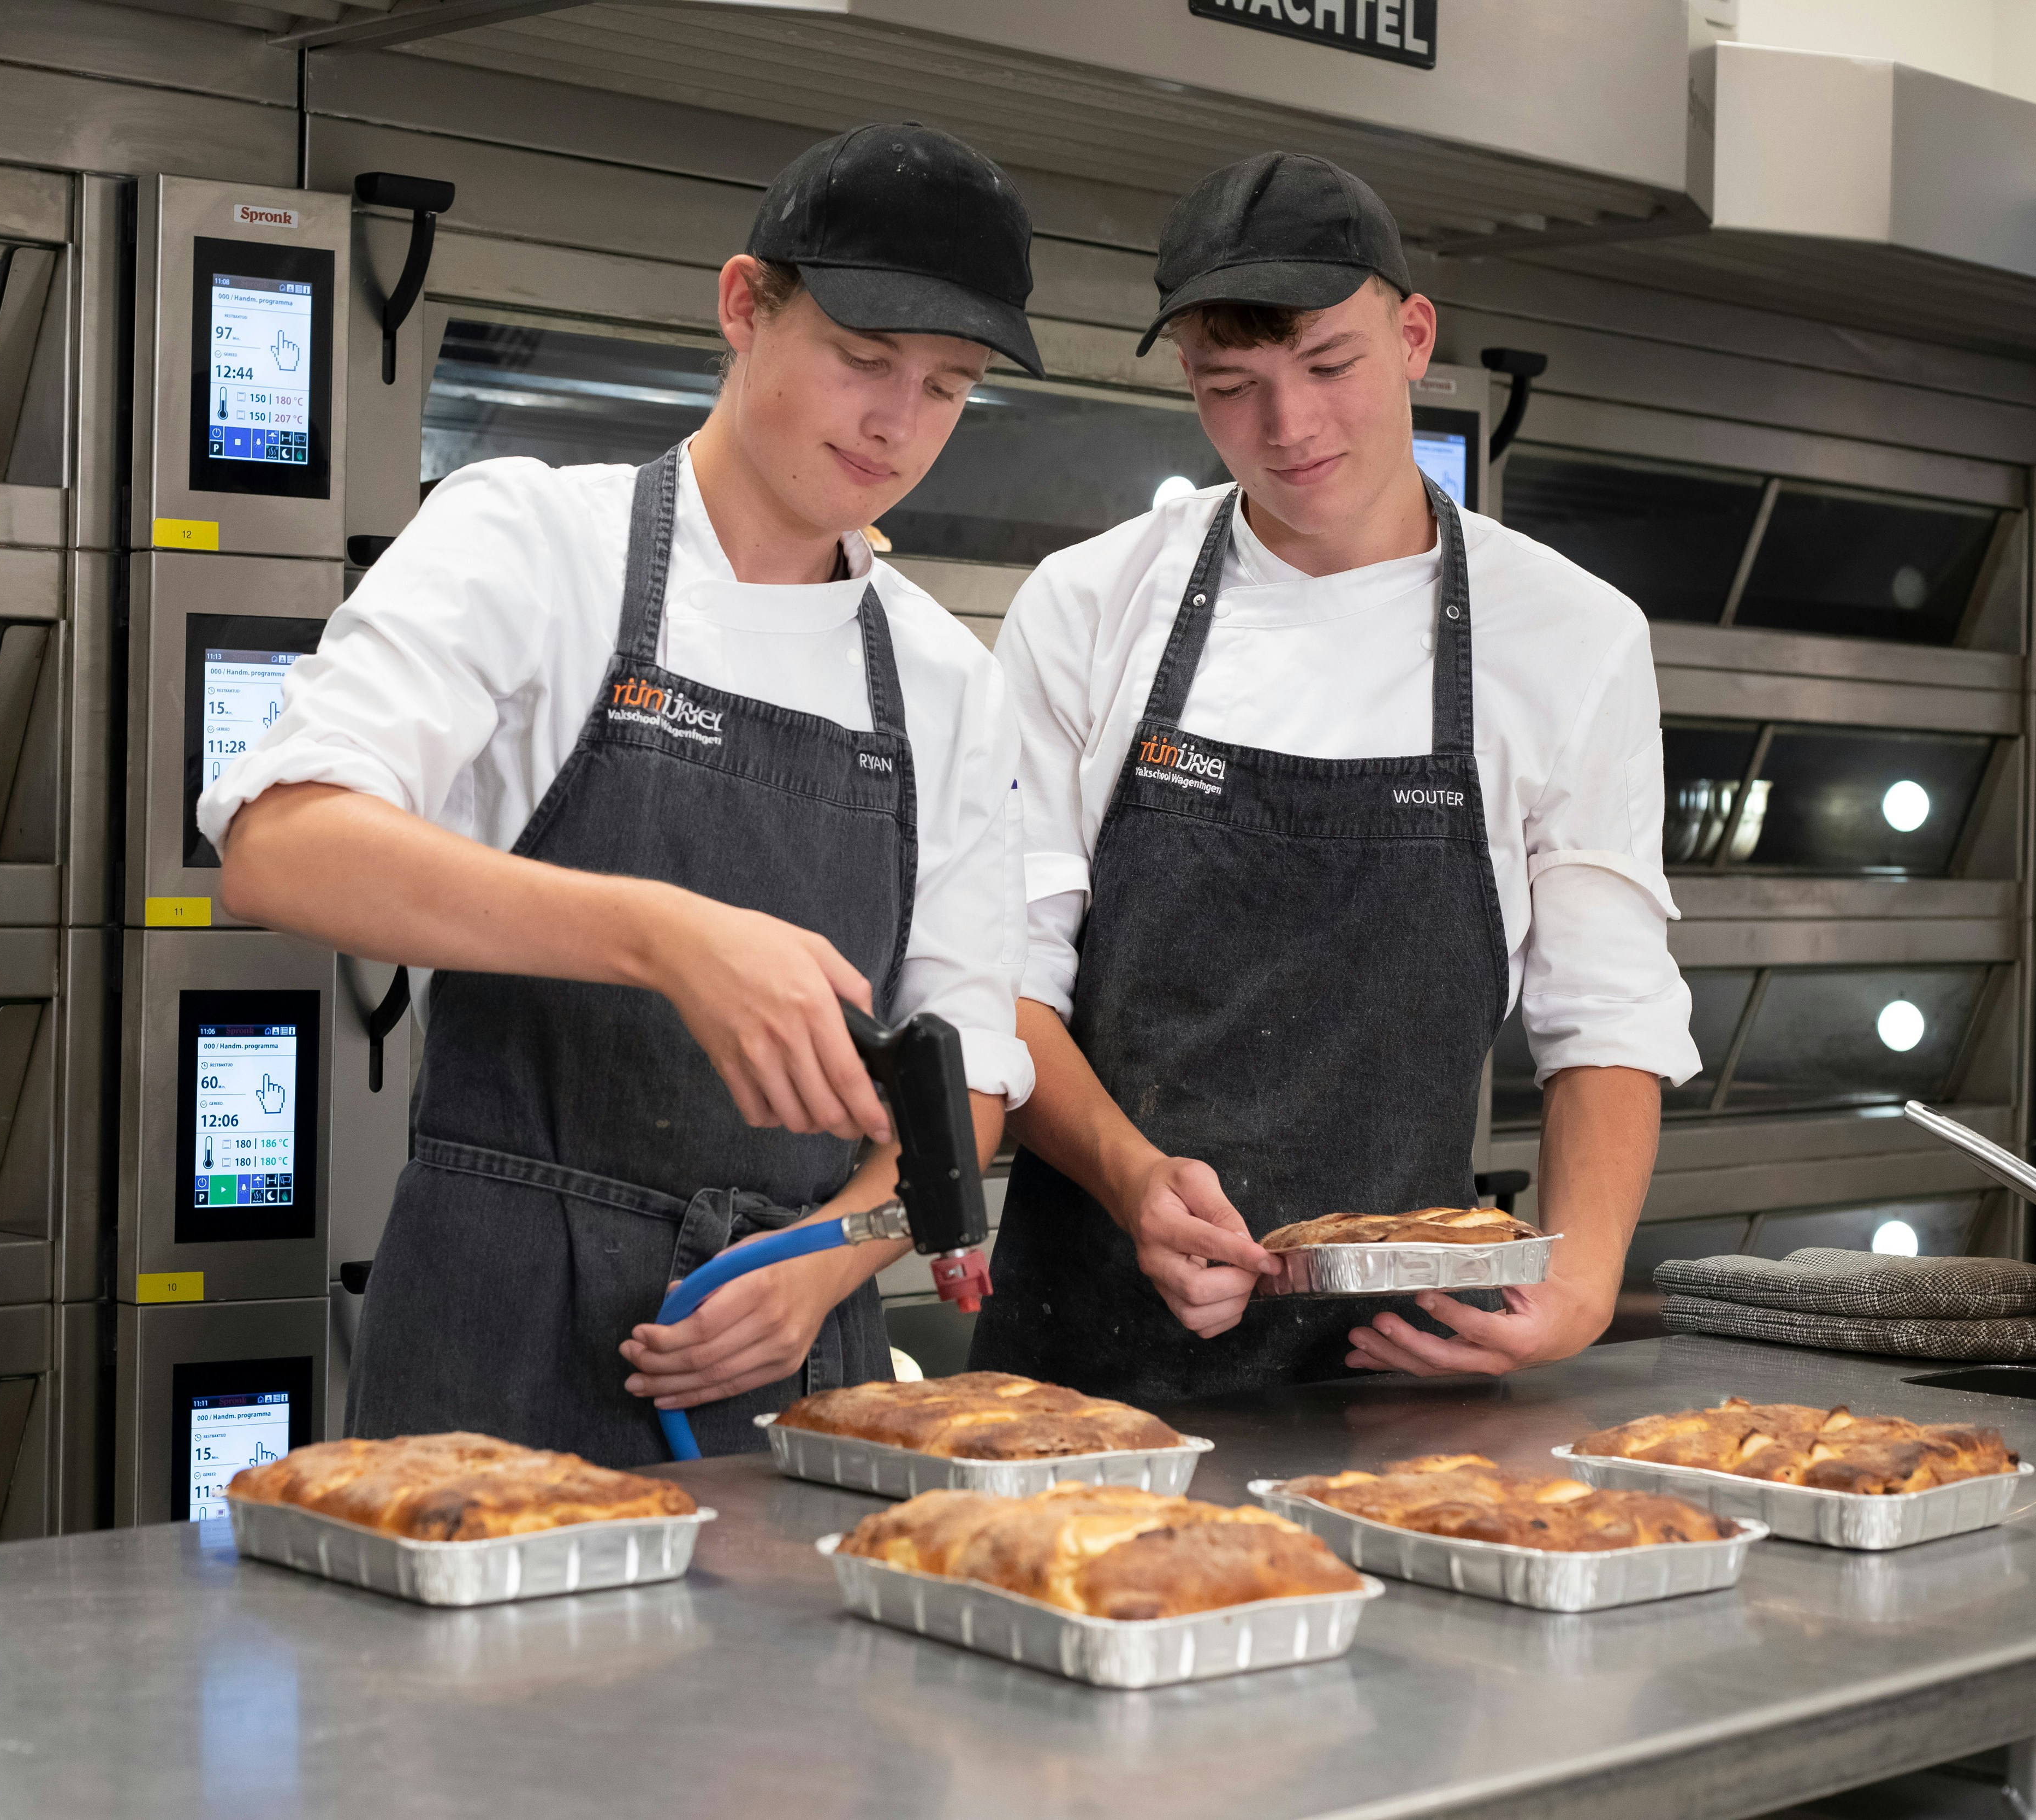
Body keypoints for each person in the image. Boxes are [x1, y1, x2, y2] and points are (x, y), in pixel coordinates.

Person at [203, 124, 1040, 1465]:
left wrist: (832, 1256)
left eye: (947, 386)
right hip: (496, 1329)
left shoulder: (945, 679)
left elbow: (968, 1076)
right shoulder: (535, 541)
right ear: (742, 307)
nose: (897, 422)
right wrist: (665, 937)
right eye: (862, 358)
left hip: (784, 1354)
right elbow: (281, 845)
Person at [967, 152, 1700, 1402]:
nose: (1288, 427)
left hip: (1401, 1366)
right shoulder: (1088, 604)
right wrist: (1135, 1181)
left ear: (1412, 337)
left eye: (1326, 365)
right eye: (1230, 385)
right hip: (1080, 1366)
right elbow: (1004, 983)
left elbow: (1606, 1009)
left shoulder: (1569, 633)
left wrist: (1579, 1283)